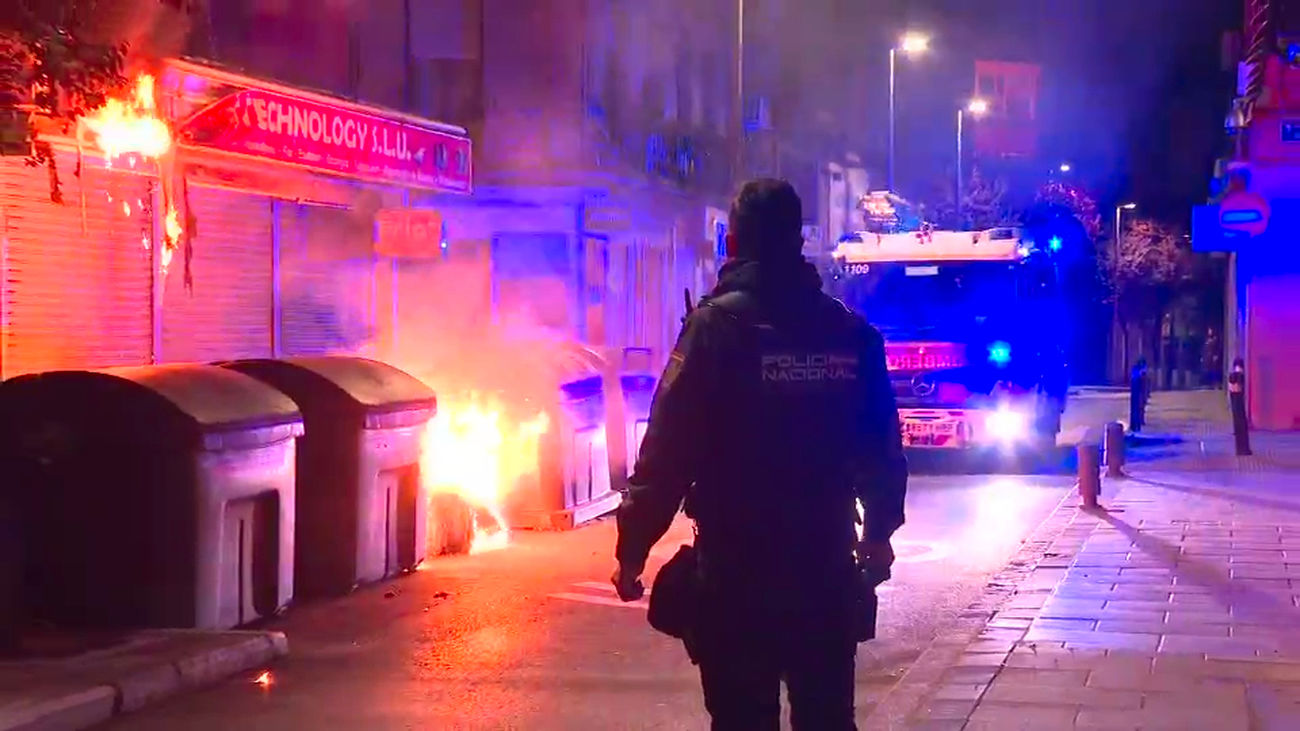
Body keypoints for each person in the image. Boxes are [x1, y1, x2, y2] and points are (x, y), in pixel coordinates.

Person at [611, 178, 908, 730]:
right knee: (826, 719)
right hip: (823, 565)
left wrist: (633, 549)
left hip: (737, 572)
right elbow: (882, 447)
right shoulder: (848, 333)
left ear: (733, 243)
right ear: (798, 240)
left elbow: (667, 452)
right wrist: (880, 533)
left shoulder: (714, 330)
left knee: (742, 719)